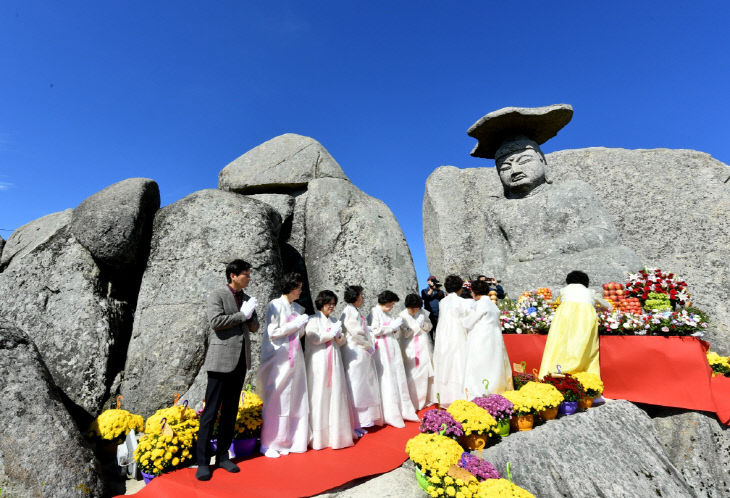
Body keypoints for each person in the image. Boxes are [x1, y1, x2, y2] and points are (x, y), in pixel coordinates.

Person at [196, 259, 259, 481]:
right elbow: (215, 321)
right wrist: (243, 315)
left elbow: (254, 327)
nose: (249, 278)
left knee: (231, 411)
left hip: (240, 360)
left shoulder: (247, 298)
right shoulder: (218, 295)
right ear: (233, 275)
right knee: (211, 412)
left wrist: (251, 314)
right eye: (246, 274)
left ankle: (222, 456)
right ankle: (202, 461)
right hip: (220, 360)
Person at [257, 272, 310, 458]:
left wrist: (300, 325)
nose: (300, 291)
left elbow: (299, 334)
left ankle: (288, 439)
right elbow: (273, 332)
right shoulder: (275, 305)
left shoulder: (296, 307)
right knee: (277, 398)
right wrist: (295, 324)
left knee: (294, 397)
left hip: (295, 357)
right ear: (290, 287)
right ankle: (268, 442)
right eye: (298, 287)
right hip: (278, 358)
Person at [305, 290, 356, 450]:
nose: (332, 307)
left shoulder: (334, 319)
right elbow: (313, 338)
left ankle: (338, 434)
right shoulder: (313, 320)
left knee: (336, 393)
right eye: (329, 304)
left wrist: (339, 336)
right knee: (320, 393)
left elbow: (340, 342)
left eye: (334, 304)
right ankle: (320, 437)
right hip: (319, 361)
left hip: (334, 359)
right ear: (322, 303)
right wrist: (330, 333)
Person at [538, 270, 612, 378]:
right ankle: (580, 371)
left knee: (559, 343)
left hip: (564, 316)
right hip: (585, 318)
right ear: (585, 282)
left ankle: (556, 369)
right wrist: (601, 308)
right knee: (583, 345)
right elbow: (608, 306)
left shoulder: (563, 290)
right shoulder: (590, 292)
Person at [368, 290, 418, 427]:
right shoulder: (374, 312)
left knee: (398, 376)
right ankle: (391, 413)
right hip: (382, 349)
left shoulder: (386, 313)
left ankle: (404, 409)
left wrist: (394, 328)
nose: (392, 307)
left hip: (391, 346)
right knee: (387, 378)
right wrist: (391, 327)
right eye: (390, 304)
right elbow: (375, 330)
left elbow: (389, 328)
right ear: (385, 302)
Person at [340, 285, 383, 433]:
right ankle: (356, 422)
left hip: (360, 351)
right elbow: (356, 333)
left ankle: (363, 419)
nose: (362, 298)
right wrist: (367, 346)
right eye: (361, 295)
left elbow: (361, 329)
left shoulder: (354, 310)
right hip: (355, 351)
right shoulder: (349, 311)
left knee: (363, 385)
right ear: (356, 297)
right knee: (356, 385)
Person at [462, 280, 513, 398]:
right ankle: (496, 389)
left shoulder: (478, 305)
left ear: (474, 292)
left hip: (481, 338)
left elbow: (468, 322)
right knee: (494, 364)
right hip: (495, 338)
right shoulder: (492, 305)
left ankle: (482, 392)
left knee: (481, 364)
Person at [432, 275, 472, 406]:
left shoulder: (443, 302)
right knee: (458, 361)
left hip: (443, 334)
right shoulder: (462, 302)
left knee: (444, 363)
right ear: (460, 288)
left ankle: (445, 395)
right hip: (456, 333)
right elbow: (468, 319)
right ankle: (460, 395)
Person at [398, 293, 434, 410]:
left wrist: (423, 323)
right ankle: (413, 400)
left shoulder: (423, 313)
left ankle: (425, 398)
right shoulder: (402, 315)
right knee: (411, 372)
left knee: (424, 371)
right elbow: (406, 333)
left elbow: (429, 327)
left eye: (416, 308)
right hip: (409, 346)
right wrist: (416, 325)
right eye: (411, 309)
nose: (414, 311)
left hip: (423, 345)